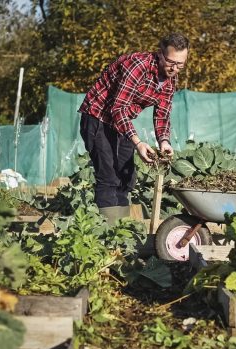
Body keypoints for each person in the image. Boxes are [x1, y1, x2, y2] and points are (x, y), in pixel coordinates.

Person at [78, 32, 189, 221]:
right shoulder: (138, 66)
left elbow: (162, 113)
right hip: (98, 117)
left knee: (126, 177)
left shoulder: (171, 79)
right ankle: (108, 235)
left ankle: (121, 230)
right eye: (171, 62)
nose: (175, 68)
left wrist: (164, 141)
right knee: (109, 176)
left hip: (119, 123)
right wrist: (138, 143)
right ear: (160, 54)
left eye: (180, 64)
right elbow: (118, 108)